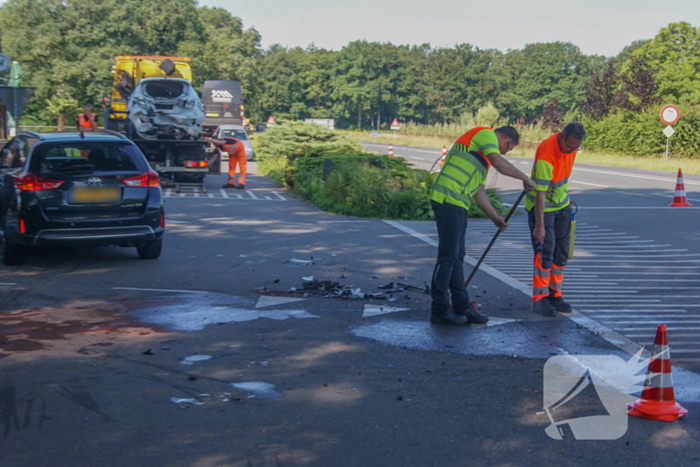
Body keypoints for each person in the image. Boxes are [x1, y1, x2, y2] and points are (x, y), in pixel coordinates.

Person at [429, 126, 536, 325]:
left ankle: (461, 306)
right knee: (448, 256)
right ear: (508, 142)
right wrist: (525, 178)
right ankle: (439, 309)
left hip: (458, 202)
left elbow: (479, 191)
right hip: (447, 198)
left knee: (456, 256)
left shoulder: (481, 159)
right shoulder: (485, 134)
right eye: (508, 150)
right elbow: (499, 162)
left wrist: (495, 217)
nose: (505, 153)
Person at [526, 122, 586, 317]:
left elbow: (562, 179)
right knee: (545, 252)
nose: (571, 151)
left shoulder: (571, 149)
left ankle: (554, 294)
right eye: (569, 147)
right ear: (561, 137)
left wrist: (565, 201)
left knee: (561, 253)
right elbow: (540, 194)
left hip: (561, 206)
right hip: (543, 209)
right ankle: (540, 299)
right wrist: (540, 225)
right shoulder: (546, 153)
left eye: (575, 148)